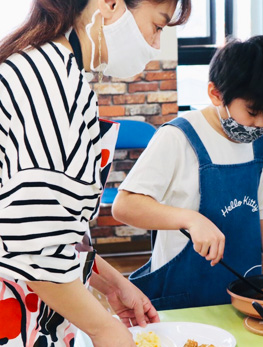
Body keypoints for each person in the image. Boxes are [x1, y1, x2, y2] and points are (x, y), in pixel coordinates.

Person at [0, 0, 190, 346]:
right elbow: (33, 246)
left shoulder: (50, 67)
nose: (156, 43)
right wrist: (104, 328)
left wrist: (115, 285)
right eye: (158, 25)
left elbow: (59, 226)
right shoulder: (50, 82)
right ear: (111, 3)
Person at [112, 35, 263, 310]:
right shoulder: (178, 137)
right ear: (216, 93)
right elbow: (125, 206)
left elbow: (254, 222)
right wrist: (190, 219)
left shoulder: (258, 145)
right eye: (252, 112)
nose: (260, 124)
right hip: (183, 299)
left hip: (243, 297)